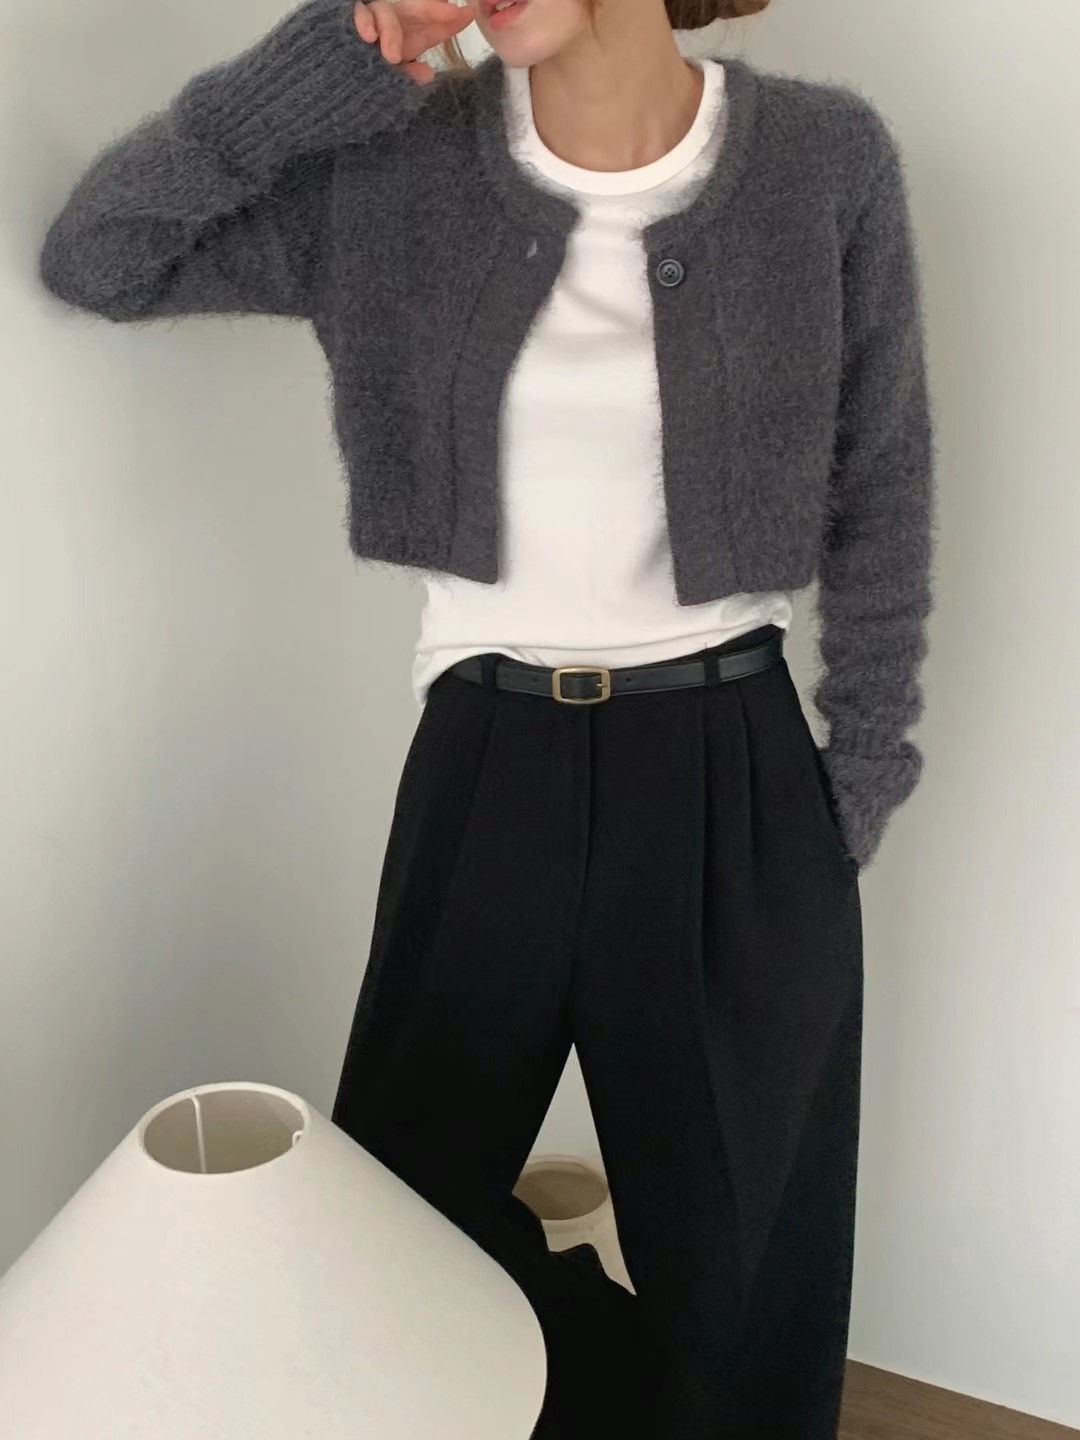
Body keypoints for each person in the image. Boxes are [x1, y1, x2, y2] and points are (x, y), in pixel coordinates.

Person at [37, 0, 936, 1435]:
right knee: (394, 1228)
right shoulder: (397, 169)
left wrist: (855, 779)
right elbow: (101, 255)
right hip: (488, 760)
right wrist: (336, 57)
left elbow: (881, 477)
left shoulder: (824, 163)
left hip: (735, 770)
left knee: (749, 1288)